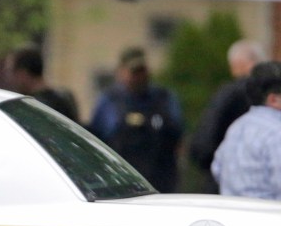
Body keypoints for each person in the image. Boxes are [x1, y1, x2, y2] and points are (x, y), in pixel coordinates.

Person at [89, 46, 183, 192]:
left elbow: (177, 136)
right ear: (121, 72)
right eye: (134, 72)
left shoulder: (164, 98)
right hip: (118, 183)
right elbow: (95, 140)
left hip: (159, 184)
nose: (139, 77)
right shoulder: (110, 101)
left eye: (142, 71)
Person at [190, 39, 267, 192]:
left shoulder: (230, 94)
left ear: (237, 64)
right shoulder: (267, 95)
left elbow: (202, 144)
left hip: (225, 183)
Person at [211, 61, 281, 199]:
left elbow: (217, 169)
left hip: (232, 213)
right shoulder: (277, 132)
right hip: (269, 216)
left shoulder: (237, 126)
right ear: (273, 99)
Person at [3, 45, 80, 122]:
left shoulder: (33, 107)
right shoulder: (65, 96)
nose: (9, 79)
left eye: (10, 71)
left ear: (23, 73)